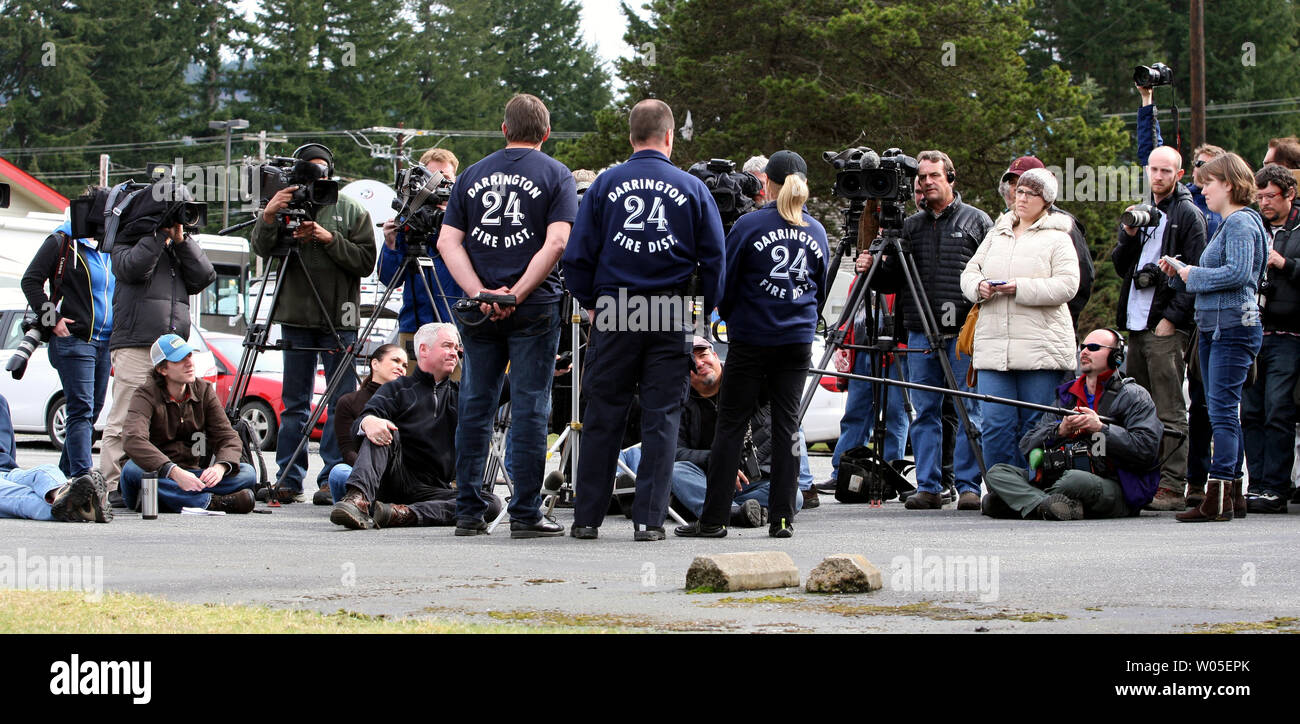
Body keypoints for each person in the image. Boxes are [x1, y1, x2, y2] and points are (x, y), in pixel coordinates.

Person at [563, 99, 726, 541]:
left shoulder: (603, 185)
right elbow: (714, 257)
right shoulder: (692, 188)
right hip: (668, 311)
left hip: (615, 310)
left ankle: (586, 518)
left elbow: (576, 256)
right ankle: (649, 521)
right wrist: (706, 310)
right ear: (669, 136)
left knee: (603, 415)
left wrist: (591, 303)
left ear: (631, 136)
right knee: (662, 418)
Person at [438, 93, 577, 538]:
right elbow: (556, 243)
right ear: (546, 133)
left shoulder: (473, 174)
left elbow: (447, 243)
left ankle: (467, 511)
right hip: (534, 306)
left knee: (476, 404)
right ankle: (524, 512)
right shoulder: (557, 175)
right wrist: (516, 293)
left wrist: (480, 292)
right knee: (531, 406)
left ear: (503, 130)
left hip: (480, 310)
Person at [677, 150, 828, 539]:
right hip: (796, 340)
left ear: (768, 184)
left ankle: (712, 520)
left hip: (752, 337)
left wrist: (729, 315)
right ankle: (782, 519)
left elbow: (724, 282)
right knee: (787, 427)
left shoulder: (750, 225)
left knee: (731, 424)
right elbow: (821, 287)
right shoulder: (817, 231)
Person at [860, 150, 994, 510]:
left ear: (951, 178)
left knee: (971, 411)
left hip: (964, 332)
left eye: (934, 175)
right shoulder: (909, 226)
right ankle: (929, 485)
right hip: (920, 330)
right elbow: (888, 285)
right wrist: (872, 263)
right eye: (921, 177)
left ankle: (968, 486)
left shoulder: (977, 221)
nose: (927, 182)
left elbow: (991, 274)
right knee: (925, 413)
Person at [251, 143, 377, 504]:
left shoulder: (350, 208)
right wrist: (270, 215)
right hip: (295, 316)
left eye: (321, 170)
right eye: (309, 170)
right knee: (295, 403)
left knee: (342, 401)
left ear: (331, 171)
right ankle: (289, 479)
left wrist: (327, 238)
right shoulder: (284, 202)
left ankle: (332, 477)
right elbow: (261, 249)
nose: (316, 176)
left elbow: (366, 261)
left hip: (340, 317)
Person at [1160, 153, 1268, 522]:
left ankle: (1218, 494)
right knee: (1222, 411)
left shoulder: (1238, 224)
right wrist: (1180, 273)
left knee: (1221, 411)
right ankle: (1230, 494)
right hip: (1220, 324)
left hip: (1230, 326)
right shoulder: (1231, 223)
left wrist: (1192, 274)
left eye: (1209, 183)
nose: (1203, 189)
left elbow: (1238, 274)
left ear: (1230, 184)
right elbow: (1222, 274)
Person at [100, 191, 216, 506]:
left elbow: (205, 275)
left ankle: (153, 486)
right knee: (125, 416)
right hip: (137, 342)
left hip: (174, 346)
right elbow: (132, 270)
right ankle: (112, 486)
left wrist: (181, 240)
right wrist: (157, 236)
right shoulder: (124, 241)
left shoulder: (180, 247)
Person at [330, 323, 503, 529]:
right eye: (447, 346)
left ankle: (400, 514)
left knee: (489, 503)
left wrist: (544, 366)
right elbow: (363, 419)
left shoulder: (464, 394)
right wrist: (369, 422)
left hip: (433, 489)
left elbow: (507, 381)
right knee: (384, 429)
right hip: (393, 479)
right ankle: (357, 499)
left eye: (456, 348)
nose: (454, 353)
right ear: (424, 350)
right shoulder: (397, 388)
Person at [961, 168, 1079, 470]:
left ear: (1046, 201)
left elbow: (1068, 285)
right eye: (1020, 191)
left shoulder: (1059, 237)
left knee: (1035, 423)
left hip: (1040, 347)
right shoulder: (996, 232)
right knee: (995, 423)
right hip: (994, 347)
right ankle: (1002, 488)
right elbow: (969, 274)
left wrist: (1020, 288)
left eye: (1031, 193)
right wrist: (979, 287)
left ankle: (1033, 486)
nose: (1021, 197)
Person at [624, 336, 807, 527]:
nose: (700, 363)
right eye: (692, 360)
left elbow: (780, 426)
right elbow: (675, 450)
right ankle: (733, 512)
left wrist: (741, 465)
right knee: (676, 471)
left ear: (715, 355)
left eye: (703, 355)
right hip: (706, 478)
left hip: (750, 480)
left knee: (795, 496)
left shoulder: (750, 383)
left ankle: (700, 507)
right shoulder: (678, 401)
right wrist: (716, 460)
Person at [1112, 144, 1206, 511]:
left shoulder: (1187, 214)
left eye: (1167, 171)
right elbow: (1121, 267)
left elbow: (1196, 274)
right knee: (1136, 406)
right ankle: (1142, 478)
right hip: (1136, 322)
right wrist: (1129, 237)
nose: (1159, 177)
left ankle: (1171, 484)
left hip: (1166, 324)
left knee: (1168, 408)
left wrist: (1173, 319)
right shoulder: (1140, 211)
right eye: (1153, 170)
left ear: (1179, 175)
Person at [981, 329, 1161, 520]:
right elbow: (1027, 445)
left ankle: (1030, 502)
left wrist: (1101, 429)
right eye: (1082, 347)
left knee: (1073, 481)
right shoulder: (1067, 395)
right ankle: (1049, 506)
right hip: (1059, 474)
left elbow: (1147, 449)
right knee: (998, 473)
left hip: (1111, 483)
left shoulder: (1134, 395)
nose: (1084, 352)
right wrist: (1060, 430)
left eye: (1093, 348)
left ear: (1116, 356)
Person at [21, 214, 114, 480]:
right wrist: (52, 320)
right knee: (81, 409)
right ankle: (83, 477)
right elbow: (30, 281)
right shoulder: (61, 241)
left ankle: (62, 477)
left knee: (91, 412)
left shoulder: (106, 246)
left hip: (103, 341)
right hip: (74, 340)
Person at [120, 334, 258, 514]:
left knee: (247, 473)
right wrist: (173, 472)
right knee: (132, 469)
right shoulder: (144, 395)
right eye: (180, 360)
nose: (189, 363)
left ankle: (174, 500)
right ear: (162, 369)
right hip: (160, 475)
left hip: (193, 475)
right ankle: (210, 502)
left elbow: (228, 436)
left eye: (190, 356)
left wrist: (220, 467)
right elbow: (133, 439)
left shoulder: (204, 390)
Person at [1240, 164, 1300, 514]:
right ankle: (1258, 484)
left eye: (1270, 196)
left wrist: (1285, 263)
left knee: (1279, 410)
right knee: (1251, 410)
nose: (1263, 203)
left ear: (1289, 194)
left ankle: (1276, 487)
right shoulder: (1251, 225)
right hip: (1252, 330)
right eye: (1258, 196)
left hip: (1289, 332)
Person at [379, 147, 461, 374]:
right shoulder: (409, 221)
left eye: (446, 178)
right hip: (415, 328)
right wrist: (391, 244)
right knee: (413, 400)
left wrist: (449, 224)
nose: (440, 185)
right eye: (434, 178)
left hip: (456, 328)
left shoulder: (464, 221)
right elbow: (389, 280)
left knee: (454, 400)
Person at [996, 155, 1093, 328]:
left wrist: (1059, 320)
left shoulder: (1063, 225)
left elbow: (1081, 280)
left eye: (1026, 184)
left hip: (1050, 329)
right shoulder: (1004, 225)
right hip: (1009, 328)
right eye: (1013, 183)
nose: (1017, 189)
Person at [0, 393, 111, 523]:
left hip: (6, 472)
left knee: (45, 470)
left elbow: (7, 454)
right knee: (24, 497)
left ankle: (63, 492)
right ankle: (81, 508)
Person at [324, 343, 408, 504]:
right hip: (362, 475)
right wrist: (370, 473)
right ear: (375, 364)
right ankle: (357, 506)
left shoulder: (410, 401)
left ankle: (382, 510)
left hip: (401, 476)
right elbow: (347, 451)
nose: (401, 368)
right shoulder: (348, 401)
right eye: (395, 361)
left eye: (404, 365)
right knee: (338, 472)